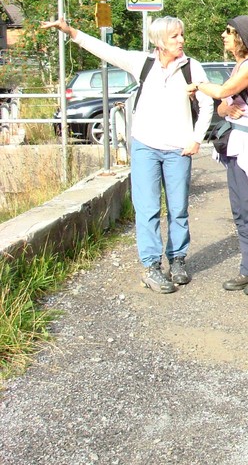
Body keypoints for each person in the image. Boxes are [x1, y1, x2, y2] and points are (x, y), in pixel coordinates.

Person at [42, 16, 213, 294]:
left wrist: (196, 139)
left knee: (179, 207)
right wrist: (71, 31)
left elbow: (207, 105)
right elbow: (105, 51)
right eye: (175, 37)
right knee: (147, 209)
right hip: (145, 146)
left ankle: (178, 259)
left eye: (181, 35)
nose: (181, 40)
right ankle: (152, 267)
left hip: (178, 149)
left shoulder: (192, 68)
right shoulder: (142, 63)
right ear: (159, 42)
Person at [186, 16, 248, 296]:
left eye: (229, 32)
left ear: (240, 37)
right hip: (234, 145)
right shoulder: (239, 66)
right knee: (241, 210)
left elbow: (223, 92)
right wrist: (224, 109)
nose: (223, 35)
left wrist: (198, 84)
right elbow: (223, 106)